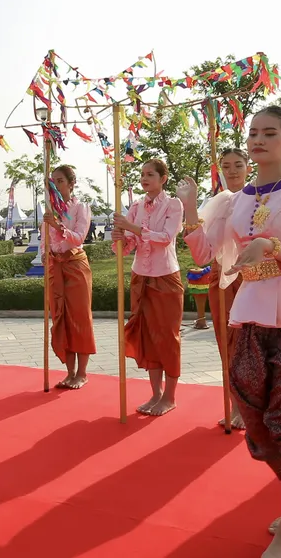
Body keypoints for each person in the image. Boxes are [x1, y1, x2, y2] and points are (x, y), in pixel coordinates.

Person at [183, 107, 281, 558]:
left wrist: (274, 247)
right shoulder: (234, 201)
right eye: (253, 132)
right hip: (251, 318)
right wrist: (192, 210)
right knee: (256, 424)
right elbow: (207, 256)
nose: (258, 140)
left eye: (270, 133)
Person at [181, 147, 253, 429]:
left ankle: (257, 407)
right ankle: (237, 405)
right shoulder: (218, 203)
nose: (232, 170)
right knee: (229, 346)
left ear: (249, 167)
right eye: (226, 165)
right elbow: (202, 254)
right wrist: (190, 207)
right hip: (223, 281)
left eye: (238, 164)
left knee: (257, 346)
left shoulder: (261, 198)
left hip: (257, 278)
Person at [112, 159, 184, 416]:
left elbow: (165, 238)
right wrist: (121, 237)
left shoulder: (173, 205)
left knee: (167, 337)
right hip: (140, 275)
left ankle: (170, 396)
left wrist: (131, 227)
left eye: (151, 174)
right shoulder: (136, 206)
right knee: (146, 335)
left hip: (165, 277)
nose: (145, 178)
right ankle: (155, 393)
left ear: (163, 178)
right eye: (142, 174)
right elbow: (131, 242)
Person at [41, 164, 97, 390]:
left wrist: (57, 225)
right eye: (52, 181)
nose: (56, 185)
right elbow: (44, 240)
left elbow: (78, 236)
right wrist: (45, 254)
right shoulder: (49, 209)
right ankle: (70, 371)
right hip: (56, 267)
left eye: (60, 181)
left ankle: (82, 372)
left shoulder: (80, 207)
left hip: (75, 265)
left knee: (80, 317)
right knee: (61, 317)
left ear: (71, 184)